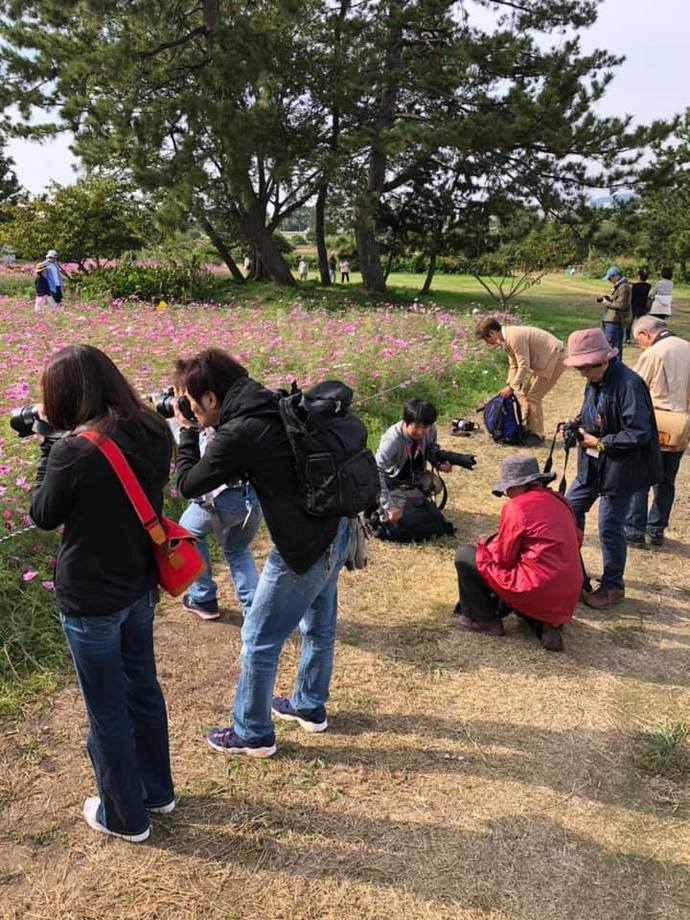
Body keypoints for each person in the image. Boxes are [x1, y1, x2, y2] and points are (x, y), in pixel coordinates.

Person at [29, 344, 175, 843]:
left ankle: (125, 816)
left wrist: (48, 442)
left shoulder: (74, 450)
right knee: (143, 689)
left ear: (68, 395)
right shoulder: (154, 430)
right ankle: (158, 792)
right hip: (139, 586)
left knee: (107, 708)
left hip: (91, 599)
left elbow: (44, 514)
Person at [173, 348, 350, 758]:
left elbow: (189, 484)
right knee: (319, 626)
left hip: (303, 546)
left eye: (191, 401)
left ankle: (252, 731)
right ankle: (309, 705)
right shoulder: (272, 401)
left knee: (257, 639)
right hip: (338, 527)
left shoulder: (239, 432)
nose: (190, 409)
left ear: (212, 398)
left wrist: (184, 432)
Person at [563, 328, 662, 609]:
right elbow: (593, 411)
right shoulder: (595, 378)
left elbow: (639, 432)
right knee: (569, 510)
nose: (582, 373)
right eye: (579, 367)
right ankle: (573, 571)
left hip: (620, 468)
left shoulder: (629, 384)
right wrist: (577, 422)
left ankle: (613, 585)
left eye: (586, 368)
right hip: (591, 465)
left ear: (603, 360)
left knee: (609, 526)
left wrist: (602, 442)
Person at [454, 456, 581, 652]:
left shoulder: (517, 507)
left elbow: (504, 560)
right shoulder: (561, 500)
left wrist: (488, 548)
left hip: (536, 584)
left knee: (465, 555)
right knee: (534, 573)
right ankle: (547, 622)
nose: (506, 493)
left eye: (508, 487)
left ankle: (484, 619)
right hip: (569, 589)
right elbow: (577, 540)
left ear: (519, 485)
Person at [172, 420, 262, 620]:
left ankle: (202, 598)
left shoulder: (209, 420)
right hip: (253, 497)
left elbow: (193, 479)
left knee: (187, 533)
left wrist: (186, 428)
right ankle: (255, 611)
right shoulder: (241, 411)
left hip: (223, 498)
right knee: (238, 549)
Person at [625, 315, 690, 548]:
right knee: (666, 480)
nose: (640, 344)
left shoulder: (654, 352)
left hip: (654, 420)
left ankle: (634, 530)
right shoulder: (687, 347)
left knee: (639, 478)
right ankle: (657, 529)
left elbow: (635, 386)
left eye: (637, 340)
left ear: (645, 334)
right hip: (681, 423)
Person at [475, 318, 566, 445]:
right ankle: (528, 427)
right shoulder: (505, 340)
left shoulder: (514, 337)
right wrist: (509, 385)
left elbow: (524, 365)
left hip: (555, 357)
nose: (487, 342)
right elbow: (514, 364)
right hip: (545, 360)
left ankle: (538, 434)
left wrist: (512, 387)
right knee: (526, 392)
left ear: (492, 333)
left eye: (486, 339)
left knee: (534, 397)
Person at [375, 398, 452, 523]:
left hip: (413, 477)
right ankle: (389, 499)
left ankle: (410, 498)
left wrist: (439, 465)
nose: (421, 432)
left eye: (425, 427)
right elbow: (376, 468)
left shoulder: (431, 429)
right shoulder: (393, 439)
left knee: (435, 485)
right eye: (416, 427)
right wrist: (388, 505)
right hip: (391, 480)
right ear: (406, 422)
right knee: (395, 512)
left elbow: (430, 451)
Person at [597, 266, 631, 357]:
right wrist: (611, 297)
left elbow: (621, 305)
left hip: (615, 321)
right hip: (612, 320)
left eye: (610, 278)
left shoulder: (624, 287)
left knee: (612, 346)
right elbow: (619, 300)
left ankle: (614, 366)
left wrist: (607, 303)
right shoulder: (620, 286)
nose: (609, 280)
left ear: (616, 276)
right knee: (613, 346)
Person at [626, 268, 651, 344]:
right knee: (641, 324)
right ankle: (640, 338)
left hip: (634, 306)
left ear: (639, 276)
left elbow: (632, 296)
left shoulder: (635, 286)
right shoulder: (648, 286)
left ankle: (628, 338)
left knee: (630, 323)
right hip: (643, 307)